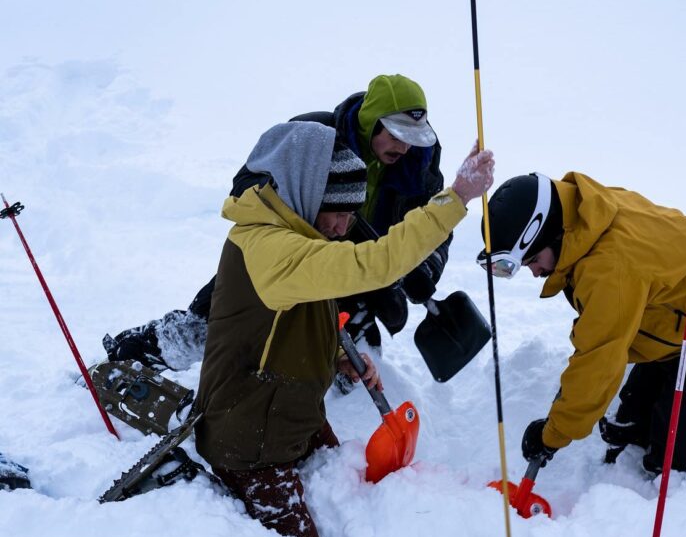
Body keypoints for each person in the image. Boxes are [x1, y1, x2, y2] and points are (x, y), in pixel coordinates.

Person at [195, 120, 494, 537]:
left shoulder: (298, 234)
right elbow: (376, 264)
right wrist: (457, 198)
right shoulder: (271, 248)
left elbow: (294, 316)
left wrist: (334, 353)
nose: (342, 225)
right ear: (306, 191)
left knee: (353, 501)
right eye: (336, 210)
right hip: (250, 444)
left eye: (352, 213)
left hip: (292, 419)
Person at [102, 74, 451, 374]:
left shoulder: (420, 164)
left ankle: (333, 370)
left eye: (412, 137)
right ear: (372, 120)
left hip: (356, 269)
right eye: (395, 134)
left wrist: (426, 268)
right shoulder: (314, 136)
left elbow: (435, 222)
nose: (404, 147)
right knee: (219, 320)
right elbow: (247, 186)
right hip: (292, 255)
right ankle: (138, 355)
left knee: (350, 338)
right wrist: (299, 218)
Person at [479, 172, 686, 480]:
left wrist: (551, 434)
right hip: (677, 313)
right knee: (623, 430)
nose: (534, 272)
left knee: (674, 466)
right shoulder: (586, 214)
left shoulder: (609, 268)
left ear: (548, 232)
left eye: (533, 260)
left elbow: (598, 360)